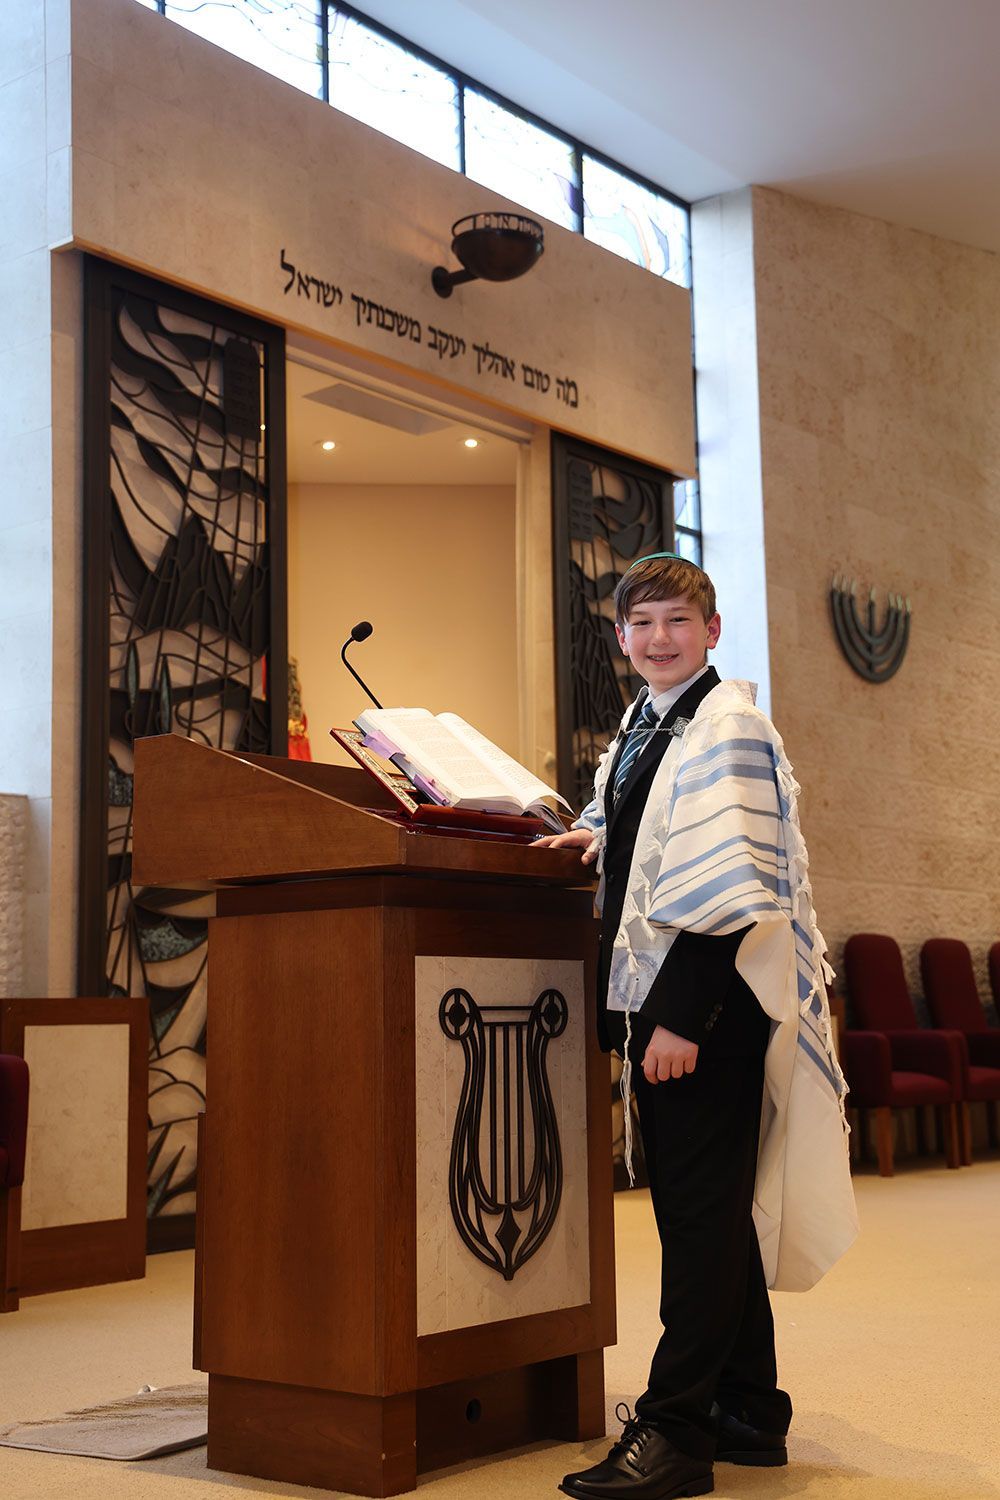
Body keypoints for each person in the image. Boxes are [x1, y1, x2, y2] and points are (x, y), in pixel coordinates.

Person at [535, 554, 857, 1500]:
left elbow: (732, 883)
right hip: (680, 1006)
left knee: (697, 1220)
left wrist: (679, 1018)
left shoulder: (727, 725)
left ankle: (676, 1434)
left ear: (712, 631)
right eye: (640, 624)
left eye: (676, 621)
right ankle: (749, 1411)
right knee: (707, 1212)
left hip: (702, 1012)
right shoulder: (650, 723)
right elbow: (647, 826)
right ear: (622, 637)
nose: (657, 639)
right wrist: (597, 832)